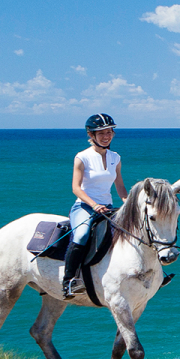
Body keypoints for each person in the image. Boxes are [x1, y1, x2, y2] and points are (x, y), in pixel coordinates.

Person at [65, 113, 127, 298]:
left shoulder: (115, 157)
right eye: (101, 133)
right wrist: (94, 204)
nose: (106, 136)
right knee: (83, 234)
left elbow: (120, 186)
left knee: (136, 230)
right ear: (91, 134)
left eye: (109, 132)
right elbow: (76, 188)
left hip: (107, 208)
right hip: (84, 207)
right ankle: (69, 281)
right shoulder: (82, 157)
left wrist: (128, 202)